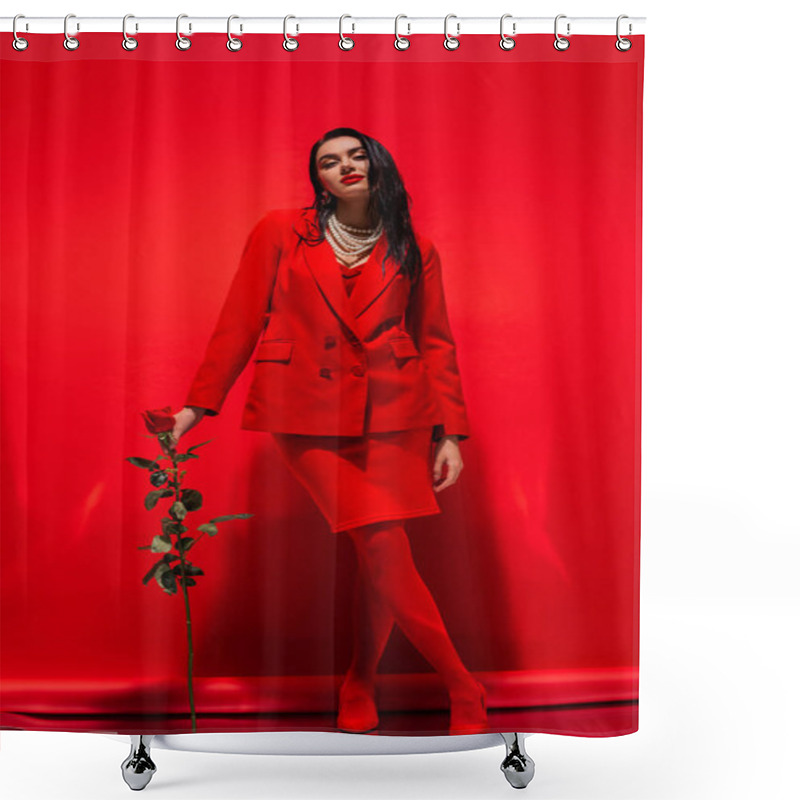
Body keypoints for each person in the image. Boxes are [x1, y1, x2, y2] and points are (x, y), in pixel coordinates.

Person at [169, 127, 487, 734]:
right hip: (303, 410)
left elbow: (436, 343)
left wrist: (450, 433)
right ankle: (463, 685)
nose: (344, 167)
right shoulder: (278, 231)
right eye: (327, 162)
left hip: (396, 414)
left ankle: (360, 680)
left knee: (380, 549)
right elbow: (237, 320)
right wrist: (197, 406)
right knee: (381, 544)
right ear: (316, 179)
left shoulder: (413, 247)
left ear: (376, 165)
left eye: (355, 156)